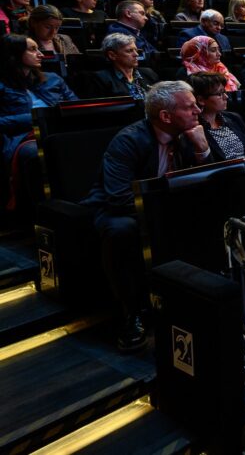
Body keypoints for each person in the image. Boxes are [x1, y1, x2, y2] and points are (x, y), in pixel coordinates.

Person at [82, 81, 210, 351]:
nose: (198, 110)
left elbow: (208, 183)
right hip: (120, 209)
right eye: (189, 107)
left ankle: (199, 297)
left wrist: (202, 151)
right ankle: (131, 313)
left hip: (164, 205)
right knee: (120, 232)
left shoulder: (191, 133)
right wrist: (165, 213)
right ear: (165, 116)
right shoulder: (129, 140)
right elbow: (118, 197)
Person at [1, 34, 78, 215]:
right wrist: (36, 118)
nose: (41, 54)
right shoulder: (2, 85)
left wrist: (49, 118)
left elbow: (75, 105)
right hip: (21, 137)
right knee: (36, 154)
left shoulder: (52, 79)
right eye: (33, 49)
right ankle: (43, 213)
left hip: (58, 130)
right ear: (14, 54)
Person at [190, 72, 245, 161]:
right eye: (219, 94)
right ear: (201, 100)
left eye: (224, 92)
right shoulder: (195, 129)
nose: (226, 97)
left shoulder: (234, 118)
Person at [85, 33, 159, 100]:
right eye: (129, 51)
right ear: (112, 55)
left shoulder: (149, 73)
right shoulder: (100, 79)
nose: (136, 54)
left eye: (136, 50)